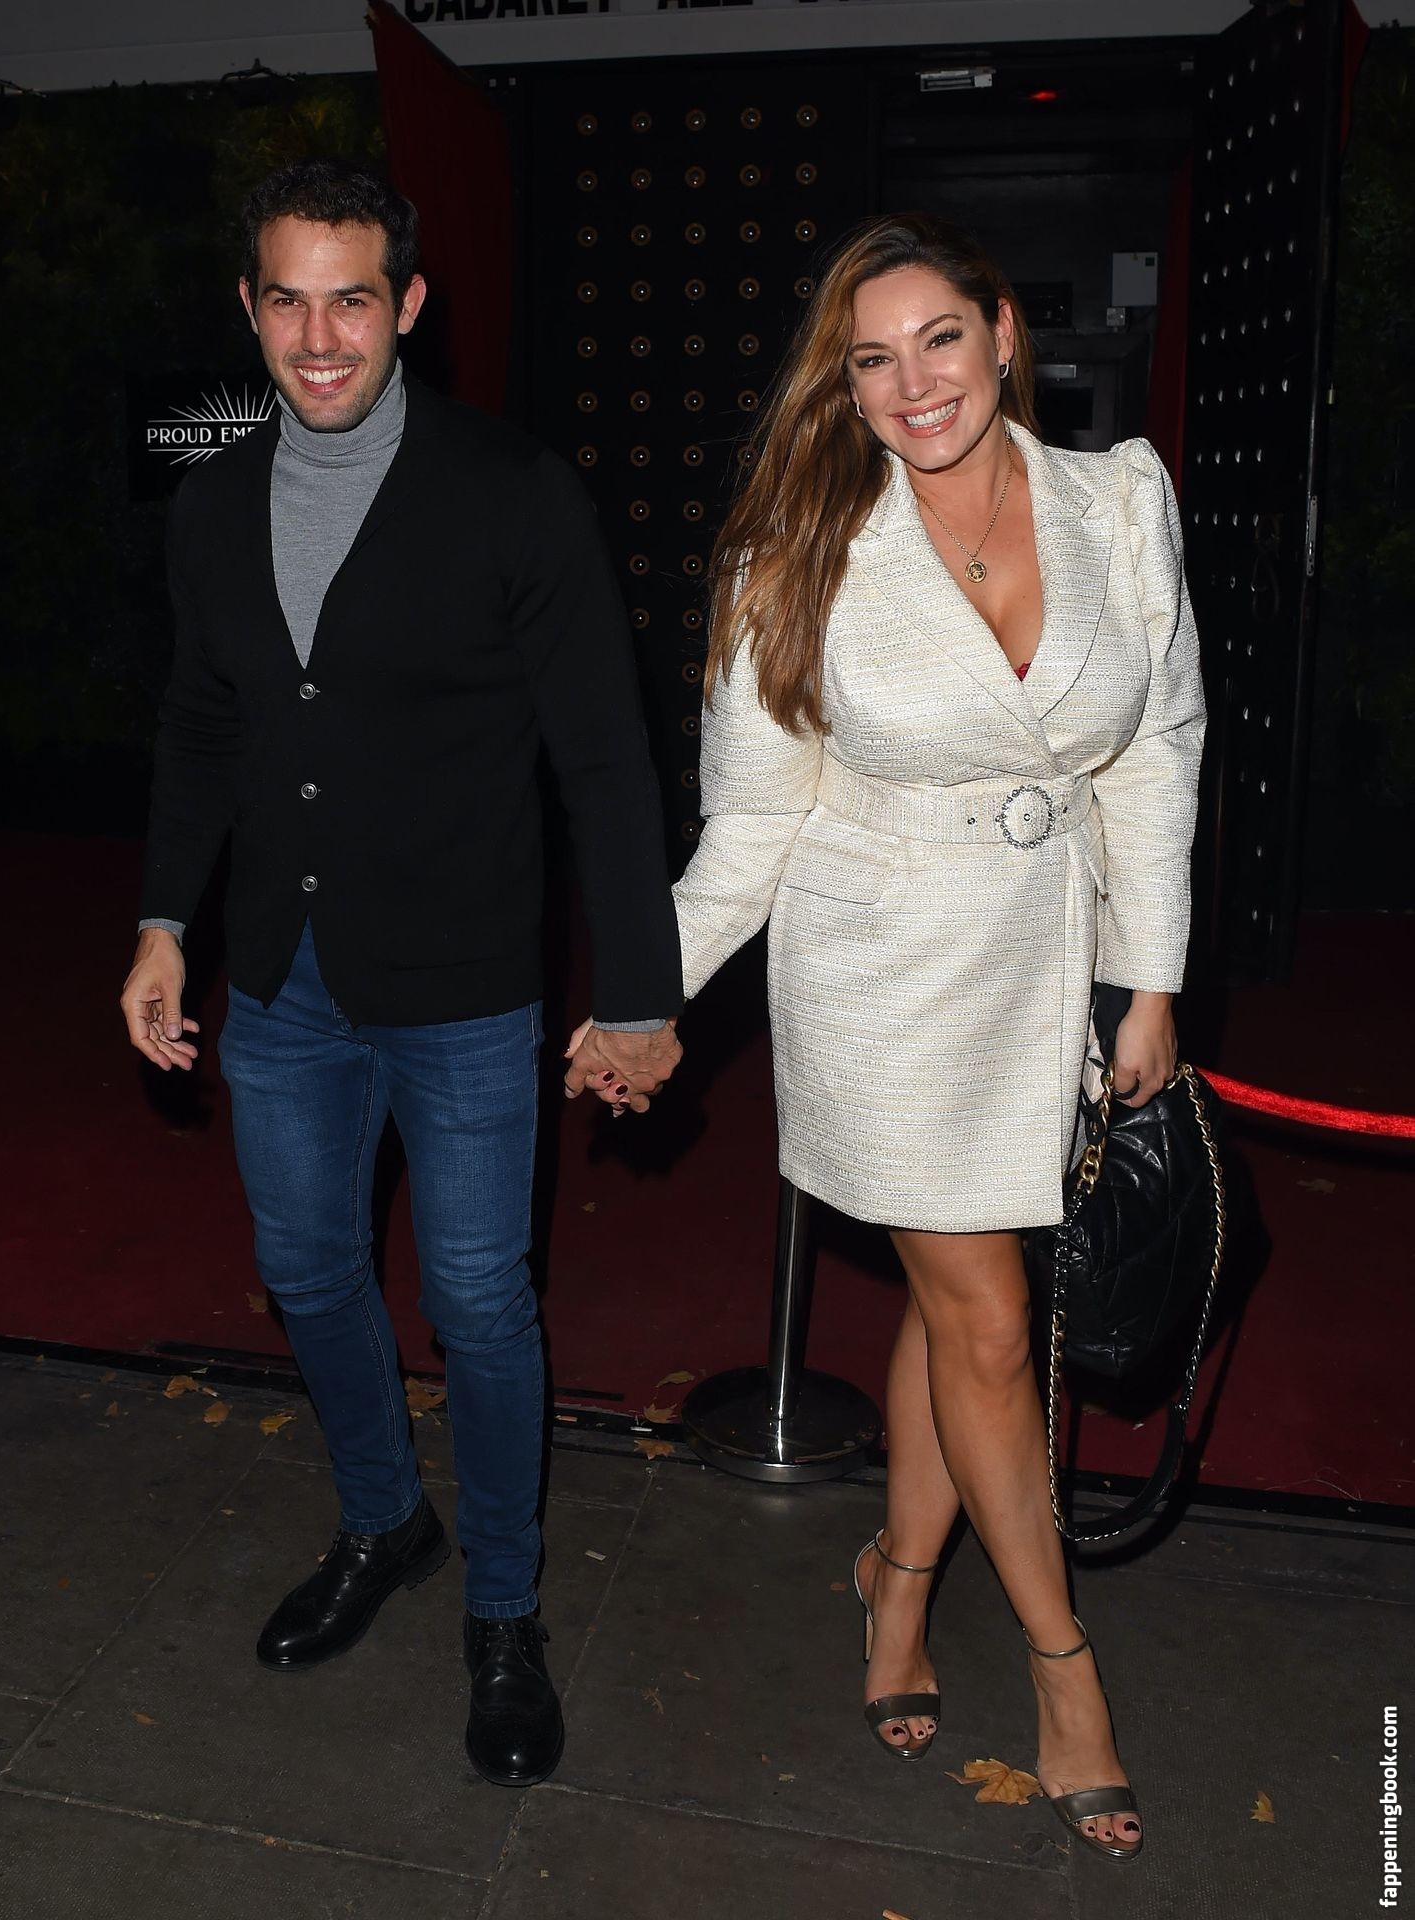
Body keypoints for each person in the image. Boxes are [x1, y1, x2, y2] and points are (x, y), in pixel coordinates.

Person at [570, 212, 1203, 1860]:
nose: (911, 382)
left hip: (1046, 959)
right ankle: (1063, 1666)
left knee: (952, 1300)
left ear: (1002, 334)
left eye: (937, 339)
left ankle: (897, 1583)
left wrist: (1145, 977)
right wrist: (649, 991)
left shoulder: (1117, 499)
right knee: (986, 1315)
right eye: (870, 360)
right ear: (839, 388)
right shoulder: (793, 553)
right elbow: (749, 821)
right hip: (884, 971)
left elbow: (1157, 745)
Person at [120, 160, 683, 1789]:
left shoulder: (514, 492)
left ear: (408, 306)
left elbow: (604, 759)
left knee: (479, 1306)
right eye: (287, 301)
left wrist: (641, 992)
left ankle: (502, 1610)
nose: (319, 338)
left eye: (352, 300)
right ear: (248, 309)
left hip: (463, 983)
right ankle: (385, 1520)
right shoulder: (214, 507)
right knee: (305, 1274)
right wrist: (163, 921)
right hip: (280, 978)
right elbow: (204, 725)